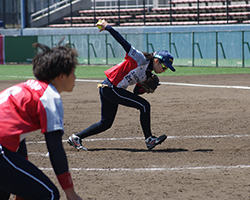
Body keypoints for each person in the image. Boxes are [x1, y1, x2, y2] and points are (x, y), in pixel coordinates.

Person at [68, 19, 175, 151]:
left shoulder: (147, 74)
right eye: (164, 67)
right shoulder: (140, 58)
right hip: (111, 87)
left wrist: (144, 88)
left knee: (105, 123)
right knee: (144, 106)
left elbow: (136, 92)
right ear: (157, 61)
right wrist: (108, 27)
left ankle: (76, 137)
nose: (164, 71)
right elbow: (123, 42)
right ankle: (149, 139)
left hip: (111, 89)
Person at [0, 40, 82, 200]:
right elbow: (55, 148)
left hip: (4, 149)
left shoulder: (27, 87)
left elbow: (18, 141)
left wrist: (22, 188)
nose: (75, 77)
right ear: (61, 76)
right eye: (73, 72)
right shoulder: (49, 97)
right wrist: (70, 192)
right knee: (49, 194)